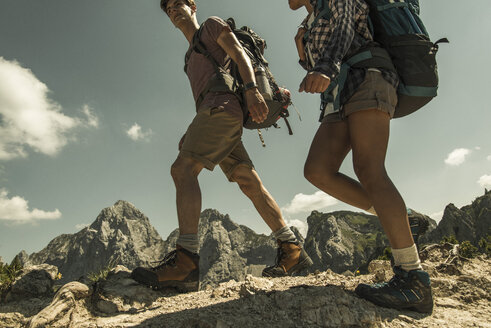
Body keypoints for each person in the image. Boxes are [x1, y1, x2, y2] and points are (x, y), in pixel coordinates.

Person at [131, 0, 313, 293]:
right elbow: (206, 95)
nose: (173, 11)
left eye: (178, 3)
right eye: (168, 10)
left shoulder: (212, 25)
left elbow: (238, 53)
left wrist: (253, 90)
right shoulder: (189, 57)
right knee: (248, 180)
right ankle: (291, 247)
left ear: (192, 5)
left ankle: (186, 262)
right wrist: (193, 130)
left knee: (182, 170)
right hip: (215, 113)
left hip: (224, 111)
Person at [286, 0, 433, 313]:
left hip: (369, 74)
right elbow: (323, 54)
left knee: (369, 168)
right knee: (318, 170)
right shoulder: (309, 22)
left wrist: (324, 67)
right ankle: (404, 221)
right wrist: (304, 52)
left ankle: (413, 277)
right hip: (340, 93)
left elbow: (344, 29)